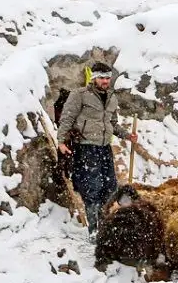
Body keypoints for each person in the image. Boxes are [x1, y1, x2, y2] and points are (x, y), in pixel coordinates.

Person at [56, 62, 137, 234]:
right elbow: (67, 118)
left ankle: (106, 227)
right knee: (93, 187)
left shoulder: (111, 97)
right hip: (86, 148)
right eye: (101, 78)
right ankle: (94, 230)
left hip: (104, 148)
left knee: (110, 187)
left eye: (108, 78)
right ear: (94, 78)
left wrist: (127, 135)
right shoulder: (80, 95)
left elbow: (112, 123)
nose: (105, 81)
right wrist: (61, 141)